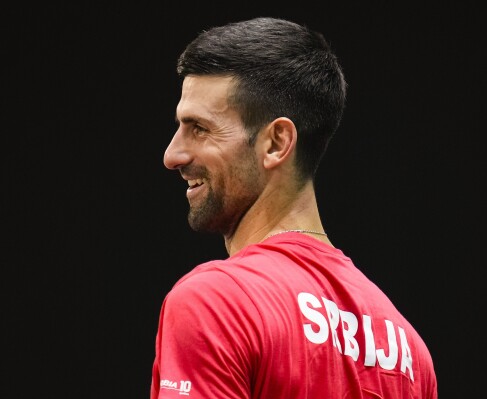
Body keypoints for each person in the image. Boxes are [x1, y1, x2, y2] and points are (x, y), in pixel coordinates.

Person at [150, 17, 438, 399]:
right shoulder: (410, 352)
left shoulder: (215, 302)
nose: (173, 154)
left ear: (276, 142)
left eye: (199, 128)